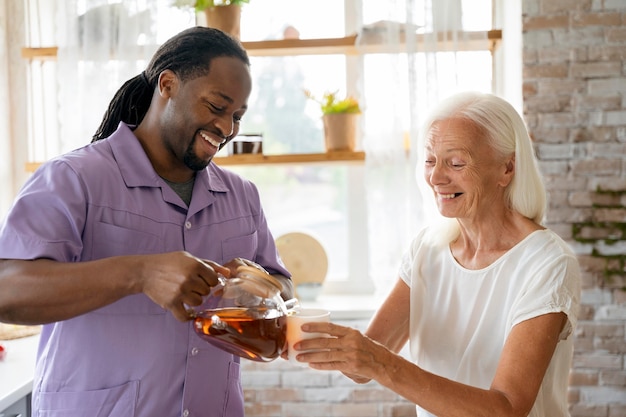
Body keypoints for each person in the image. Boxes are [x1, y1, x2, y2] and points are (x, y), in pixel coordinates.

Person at [0, 26, 293, 417]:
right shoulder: (75, 179)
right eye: (216, 106)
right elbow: (8, 292)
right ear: (168, 84)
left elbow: (285, 291)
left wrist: (257, 286)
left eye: (237, 116)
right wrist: (139, 273)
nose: (226, 128)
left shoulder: (242, 196)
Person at [292, 92, 581, 417]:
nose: (436, 177)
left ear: (507, 169)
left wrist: (383, 364)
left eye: (456, 163)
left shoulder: (547, 263)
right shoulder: (426, 250)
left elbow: (507, 409)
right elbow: (362, 366)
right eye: (430, 160)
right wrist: (282, 328)